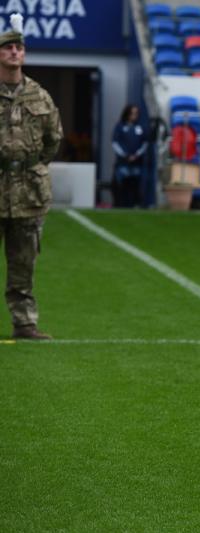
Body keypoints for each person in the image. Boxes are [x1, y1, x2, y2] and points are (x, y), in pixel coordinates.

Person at [0, 13, 63, 340]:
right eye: (8, 47)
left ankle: (24, 324)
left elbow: (54, 140)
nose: (14, 52)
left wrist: (30, 168)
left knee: (23, 265)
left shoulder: (39, 96)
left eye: (19, 48)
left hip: (28, 193)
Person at [112, 104, 148, 208]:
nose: (134, 116)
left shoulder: (140, 127)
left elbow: (145, 143)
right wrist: (125, 155)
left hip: (136, 162)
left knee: (135, 185)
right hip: (123, 162)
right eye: (132, 113)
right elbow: (115, 142)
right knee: (121, 185)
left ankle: (134, 204)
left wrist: (136, 155)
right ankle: (121, 205)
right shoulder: (120, 126)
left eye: (136, 113)